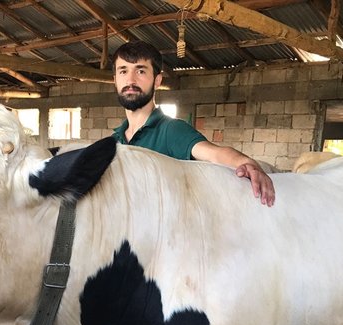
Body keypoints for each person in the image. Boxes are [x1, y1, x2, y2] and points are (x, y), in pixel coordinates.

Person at [111, 40, 275, 206]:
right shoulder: (115, 139)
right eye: (123, 71)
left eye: (140, 71)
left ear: (157, 80)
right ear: (115, 80)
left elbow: (214, 153)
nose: (130, 80)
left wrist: (246, 164)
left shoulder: (170, 130)